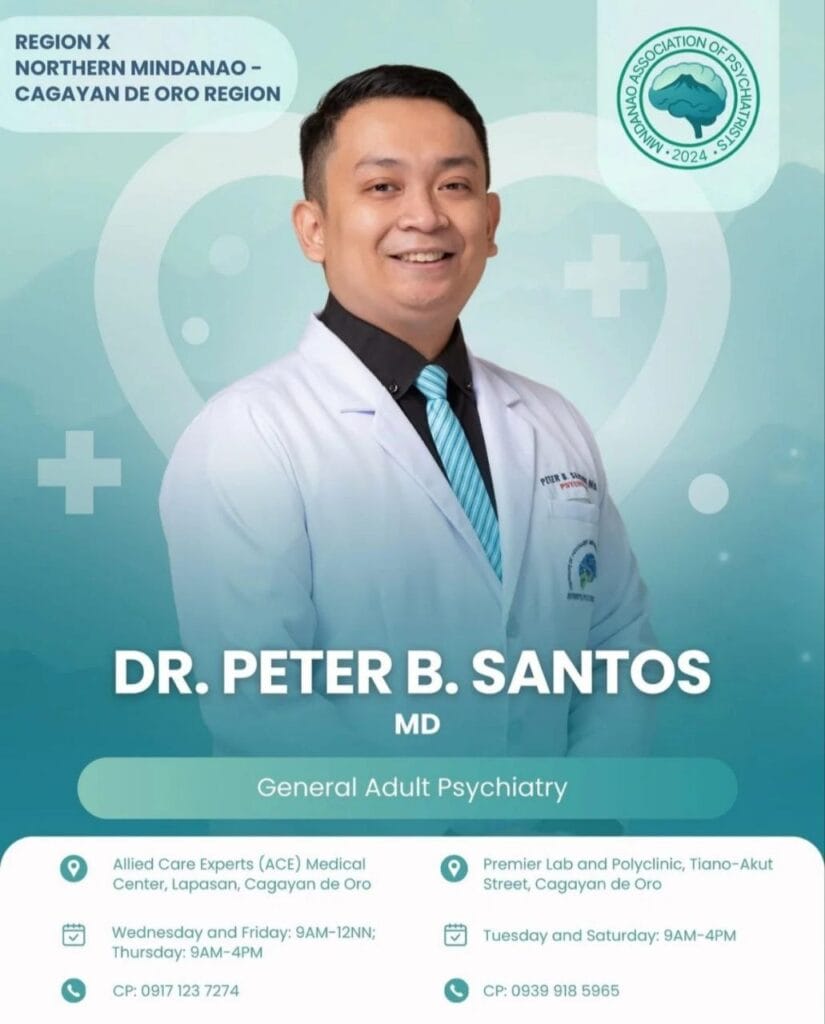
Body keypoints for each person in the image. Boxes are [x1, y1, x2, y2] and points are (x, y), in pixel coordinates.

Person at [160, 65, 654, 759]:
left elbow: (617, 645)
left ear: (490, 221)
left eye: (453, 185)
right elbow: (258, 700)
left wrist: (581, 812)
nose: (424, 216)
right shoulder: (246, 435)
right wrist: (453, 836)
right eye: (382, 186)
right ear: (313, 230)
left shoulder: (552, 421)